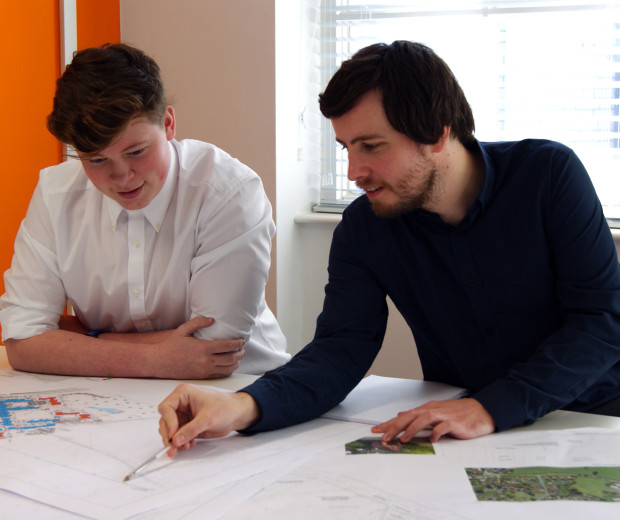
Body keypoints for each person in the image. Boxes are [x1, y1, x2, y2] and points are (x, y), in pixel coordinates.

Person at [157, 40, 620, 453]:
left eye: (372, 146)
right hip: (463, 435)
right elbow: (340, 350)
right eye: (345, 148)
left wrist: (490, 407)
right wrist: (242, 406)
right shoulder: (365, 228)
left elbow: (600, 321)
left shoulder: (547, 175)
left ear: (438, 132)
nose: (353, 171)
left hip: (595, 419)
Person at [0, 43, 290, 379]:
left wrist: (84, 338)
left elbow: (214, 346)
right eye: (96, 160)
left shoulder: (229, 192)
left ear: (168, 124)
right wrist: (152, 359)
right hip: (113, 394)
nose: (121, 176)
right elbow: (22, 340)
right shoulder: (55, 194)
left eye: (136, 151)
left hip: (241, 385)